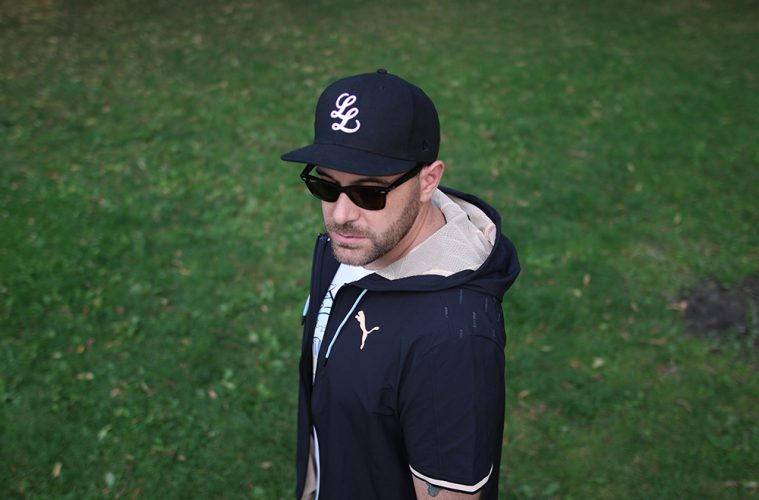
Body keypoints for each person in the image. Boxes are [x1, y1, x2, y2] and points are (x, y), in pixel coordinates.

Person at [281, 69, 520, 500]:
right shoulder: (360, 242)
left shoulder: (453, 342)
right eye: (325, 185)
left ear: (428, 180)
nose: (340, 215)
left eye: (370, 192)